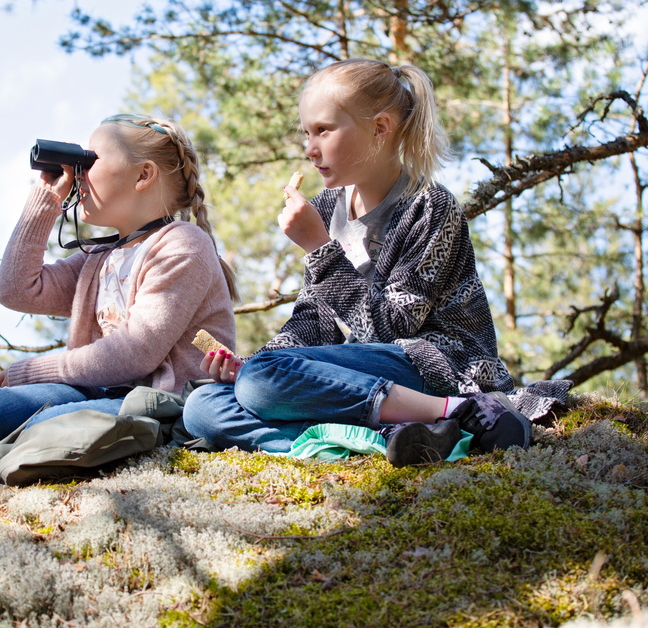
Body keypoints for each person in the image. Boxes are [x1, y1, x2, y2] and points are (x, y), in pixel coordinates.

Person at [182, 59, 531, 467]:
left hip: (438, 366)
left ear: (380, 128)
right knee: (205, 405)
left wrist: (318, 248)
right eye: (306, 133)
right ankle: (405, 437)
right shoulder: (327, 206)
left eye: (323, 131)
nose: (309, 149)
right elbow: (315, 318)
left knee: (261, 383)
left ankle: (464, 412)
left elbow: (387, 328)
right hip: (371, 375)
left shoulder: (430, 207)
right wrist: (254, 361)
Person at [0, 114, 237, 476]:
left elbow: (136, 352)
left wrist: (36, 371)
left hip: (164, 407)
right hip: (103, 395)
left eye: (90, 161)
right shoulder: (98, 259)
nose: (79, 174)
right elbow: (17, 291)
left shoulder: (183, 244)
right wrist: (46, 200)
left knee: (43, 427)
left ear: (143, 175)